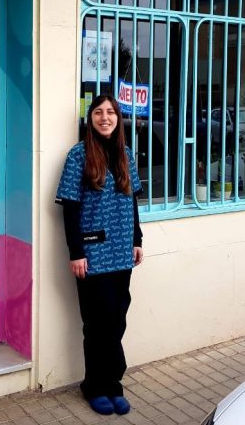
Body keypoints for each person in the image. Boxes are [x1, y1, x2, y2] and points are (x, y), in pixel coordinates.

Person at [55, 94, 144, 416]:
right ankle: (94, 386)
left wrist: (137, 239)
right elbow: (69, 208)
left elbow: (132, 201)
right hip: (92, 253)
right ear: (90, 118)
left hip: (122, 251)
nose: (104, 117)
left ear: (118, 119)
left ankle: (113, 384)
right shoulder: (78, 155)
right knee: (96, 323)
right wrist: (76, 252)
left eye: (110, 112)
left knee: (116, 319)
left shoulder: (126, 155)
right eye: (98, 112)